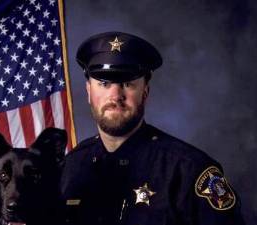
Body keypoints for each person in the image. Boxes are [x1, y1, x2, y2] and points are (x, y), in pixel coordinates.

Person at [60, 31, 245, 225]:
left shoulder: (189, 171)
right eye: (104, 84)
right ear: (89, 91)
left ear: (145, 92)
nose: (115, 96)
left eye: (127, 83)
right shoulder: (72, 167)